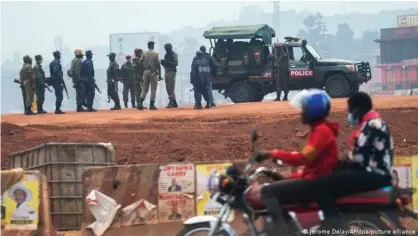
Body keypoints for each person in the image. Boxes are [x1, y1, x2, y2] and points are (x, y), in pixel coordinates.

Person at [253, 89, 339, 235]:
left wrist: (271, 153)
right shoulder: (319, 130)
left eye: (304, 110)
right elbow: (311, 164)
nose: (301, 113)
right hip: (315, 179)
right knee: (277, 186)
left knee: (267, 191)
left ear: (313, 112)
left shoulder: (322, 132)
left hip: (315, 183)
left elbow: (302, 158)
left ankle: (281, 229)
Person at [311, 92, 393, 230]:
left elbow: (358, 157)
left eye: (350, 112)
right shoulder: (373, 122)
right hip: (372, 172)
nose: (349, 115)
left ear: (357, 111)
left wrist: (337, 164)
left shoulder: (372, 125)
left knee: (320, 185)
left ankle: (332, 223)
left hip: (374, 174)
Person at [138, 41, 162, 110]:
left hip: (145, 72)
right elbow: (158, 64)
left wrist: (142, 71)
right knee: (153, 89)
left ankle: (140, 103)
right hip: (153, 72)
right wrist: (160, 75)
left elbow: (141, 63)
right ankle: (151, 105)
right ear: (153, 46)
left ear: (148, 46)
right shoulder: (155, 54)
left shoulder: (144, 54)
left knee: (144, 89)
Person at [161, 43, 179, 108]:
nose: (166, 50)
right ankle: (174, 102)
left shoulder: (174, 55)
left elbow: (176, 63)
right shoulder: (166, 55)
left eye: (167, 49)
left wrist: (167, 63)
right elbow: (165, 64)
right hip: (167, 71)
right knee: (168, 88)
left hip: (172, 72)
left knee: (171, 87)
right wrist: (163, 63)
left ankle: (171, 102)